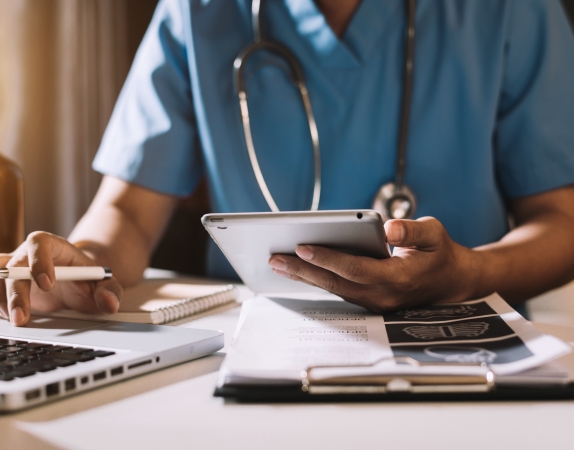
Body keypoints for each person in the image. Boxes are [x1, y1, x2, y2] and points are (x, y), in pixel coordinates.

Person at [1, 0, 574, 326]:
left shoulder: (508, 10)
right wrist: (78, 268)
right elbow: (126, 213)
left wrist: (466, 275)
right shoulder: (196, 12)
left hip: (462, 341)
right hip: (255, 344)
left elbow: (563, 221)